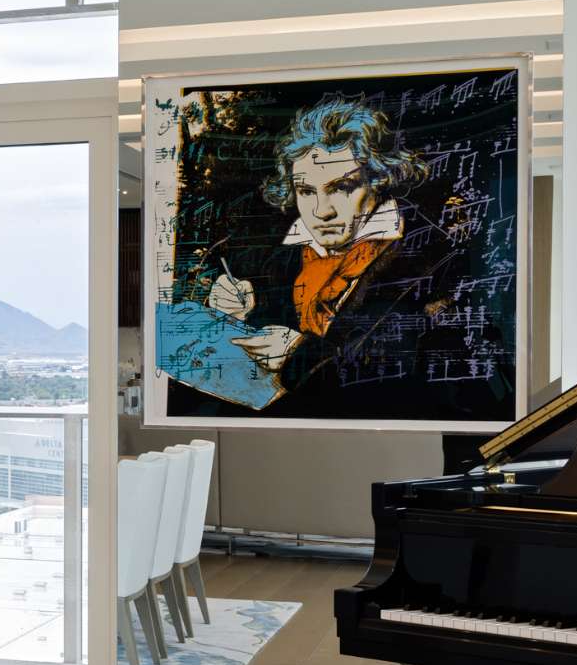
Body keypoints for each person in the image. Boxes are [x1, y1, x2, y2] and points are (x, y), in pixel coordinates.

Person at [192, 95, 500, 422]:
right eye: (306, 191)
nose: (322, 211)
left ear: (380, 180)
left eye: (342, 187)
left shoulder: (432, 259)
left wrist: (297, 355)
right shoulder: (278, 256)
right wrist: (243, 312)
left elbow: (404, 376)